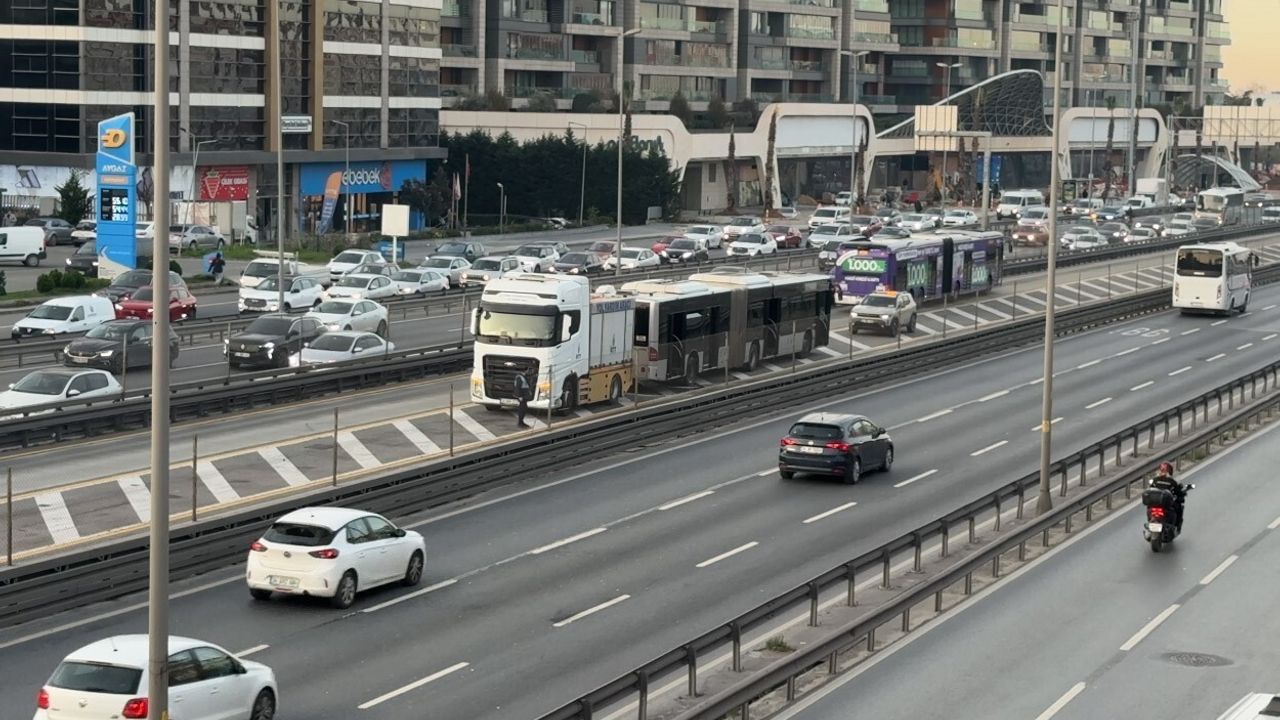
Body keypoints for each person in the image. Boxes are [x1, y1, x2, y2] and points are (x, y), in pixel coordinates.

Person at [1149, 461, 1186, 531]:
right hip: (1167, 505)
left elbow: (1150, 489)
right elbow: (1178, 492)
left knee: (1149, 507)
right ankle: (1177, 527)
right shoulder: (1172, 481)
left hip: (1155, 503)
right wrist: (1181, 496)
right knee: (1179, 508)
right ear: (1170, 471)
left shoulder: (1155, 480)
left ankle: (1151, 523)